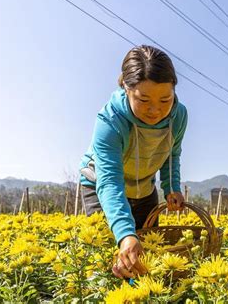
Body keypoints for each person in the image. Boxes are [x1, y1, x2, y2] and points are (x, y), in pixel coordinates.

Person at [78, 45, 187, 279]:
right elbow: (109, 182)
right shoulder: (109, 120)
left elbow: (172, 153)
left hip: (144, 186)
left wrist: (171, 187)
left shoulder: (179, 116)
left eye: (165, 99)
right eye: (144, 99)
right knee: (111, 253)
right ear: (126, 89)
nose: (155, 110)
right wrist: (126, 234)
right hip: (102, 186)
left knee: (148, 255)